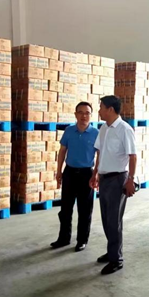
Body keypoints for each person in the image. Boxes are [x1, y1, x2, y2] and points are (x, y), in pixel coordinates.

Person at [89, 95, 137, 275]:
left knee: (114, 220)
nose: (99, 111)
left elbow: (133, 156)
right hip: (104, 178)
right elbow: (100, 153)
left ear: (110, 109)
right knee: (106, 218)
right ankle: (112, 251)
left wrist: (130, 179)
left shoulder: (125, 129)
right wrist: (95, 173)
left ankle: (116, 259)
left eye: (101, 107)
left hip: (118, 179)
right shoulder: (104, 128)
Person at [51, 102, 99, 252]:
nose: (84, 116)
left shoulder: (96, 133)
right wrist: (59, 171)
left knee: (85, 209)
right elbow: (62, 151)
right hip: (70, 173)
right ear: (75, 114)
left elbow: (100, 155)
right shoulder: (69, 131)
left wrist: (96, 174)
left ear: (91, 115)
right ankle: (64, 238)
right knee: (65, 208)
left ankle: (82, 240)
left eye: (87, 113)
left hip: (87, 174)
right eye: (81, 112)